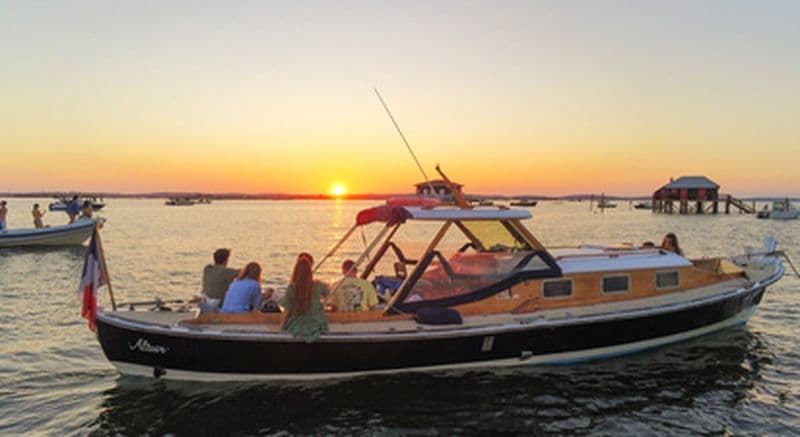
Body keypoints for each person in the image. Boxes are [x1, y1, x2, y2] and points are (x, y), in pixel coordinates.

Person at [280, 253, 329, 342]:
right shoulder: (318, 285)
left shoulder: (292, 288)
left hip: (297, 327)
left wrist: (282, 327)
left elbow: (287, 311)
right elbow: (329, 294)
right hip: (316, 326)